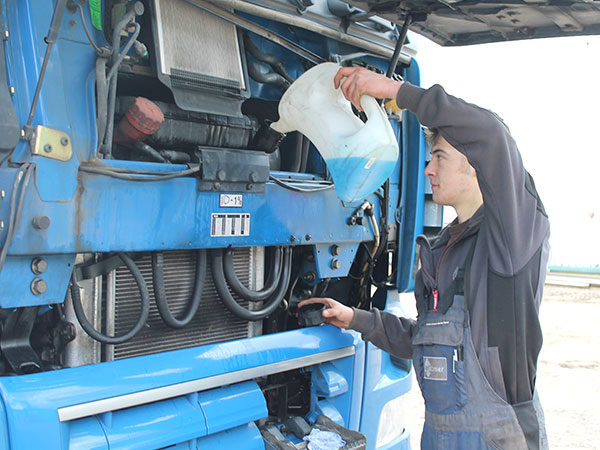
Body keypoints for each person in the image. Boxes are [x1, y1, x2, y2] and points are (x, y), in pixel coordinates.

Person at [299, 66, 550, 449]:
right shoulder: (443, 250)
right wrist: (357, 319)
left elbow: (492, 134)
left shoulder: (511, 241)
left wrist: (395, 90)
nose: (428, 169)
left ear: (476, 165)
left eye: (439, 158)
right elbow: (428, 341)